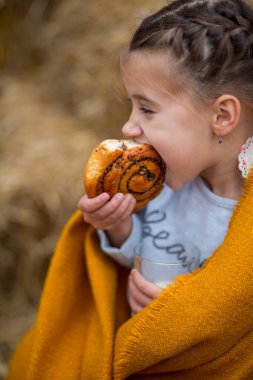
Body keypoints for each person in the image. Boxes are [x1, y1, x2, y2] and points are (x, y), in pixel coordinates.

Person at [78, 0, 253, 316]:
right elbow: (144, 260)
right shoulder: (162, 186)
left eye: (147, 109)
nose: (128, 127)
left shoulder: (246, 224)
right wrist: (120, 227)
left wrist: (188, 315)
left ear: (222, 115)